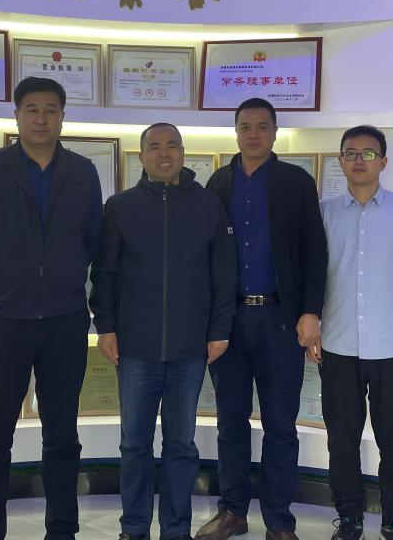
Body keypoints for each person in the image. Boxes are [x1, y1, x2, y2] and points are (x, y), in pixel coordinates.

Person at [0, 76, 103, 540]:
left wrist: (59, 279)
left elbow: (92, 239)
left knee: (62, 436)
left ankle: (62, 530)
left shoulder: (83, 171)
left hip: (64, 320)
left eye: (50, 110)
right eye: (32, 110)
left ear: (62, 117)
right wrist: (3, 283)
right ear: (17, 116)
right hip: (2, 320)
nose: (41, 119)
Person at [90, 122, 237, 540]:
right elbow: (104, 273)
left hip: (190, 348)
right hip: (135, 347)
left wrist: (220, 330)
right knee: (134, 444)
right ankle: (134, 528)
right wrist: (106, 326)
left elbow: (224, 274)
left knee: (181, 445)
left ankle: (175, 529)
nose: (164, 153)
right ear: (142, 157)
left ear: (184, 152)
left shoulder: (208, 206)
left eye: (172, 145)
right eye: (154, 147)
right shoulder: (121, 206)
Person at [199, 97, 328, 540]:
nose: (253, 134)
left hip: (280, 320)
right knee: (230, 422)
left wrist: (311, 311)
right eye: (245, 126)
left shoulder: (295, 181)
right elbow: (205, 255)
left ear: (274, 132)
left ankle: (279, 521)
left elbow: (314, 250)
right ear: (236, 132)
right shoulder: (219, 182)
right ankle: (232, 512)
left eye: (262, 126)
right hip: (229, 322)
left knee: (280, 425)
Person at [313, 125, 393, 540]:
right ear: (340, 160)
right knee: (341, 442)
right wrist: (312, 325)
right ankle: (349, 518)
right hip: (337, 345)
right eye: (350, 153)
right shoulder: (325, 213)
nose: (359, 160)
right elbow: (312, 277)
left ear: (383, 161)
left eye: (368, 153)